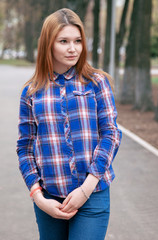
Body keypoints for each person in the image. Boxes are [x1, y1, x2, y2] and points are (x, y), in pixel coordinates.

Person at [16, 8, 122, 240]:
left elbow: (111, 134)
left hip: (92, 195)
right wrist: (38, 196)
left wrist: (86, 189)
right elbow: (24, 147)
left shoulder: (96, 83)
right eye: (63, 41)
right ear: (48, 44)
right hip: (48, 200)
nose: (73, 48)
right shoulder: (32, 91)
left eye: (78, 41)